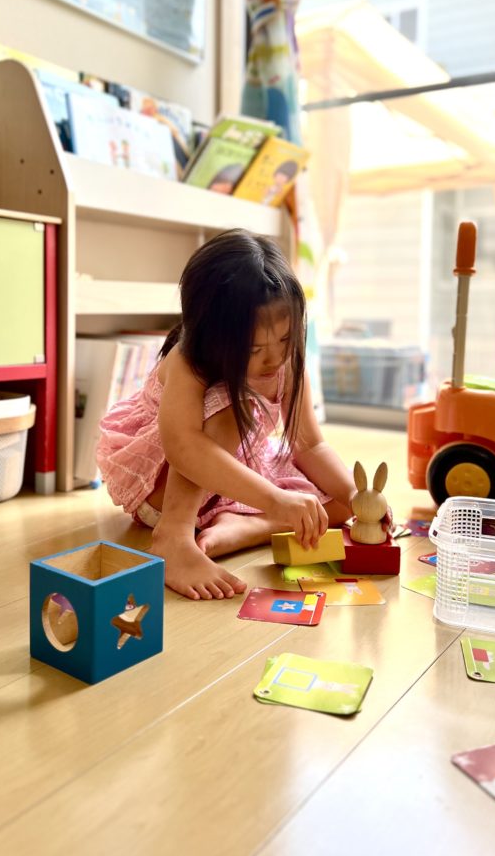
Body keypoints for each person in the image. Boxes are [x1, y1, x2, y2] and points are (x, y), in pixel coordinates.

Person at [97, 228, 358, 601]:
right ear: (212, 337)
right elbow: (183, 447)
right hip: (165, 487)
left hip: (230, 476)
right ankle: (174, 538)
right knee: (233, 406)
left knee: (337, 504)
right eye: (254, 349)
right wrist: (275, 498)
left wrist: (357, 496)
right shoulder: (188, 360)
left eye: (285, 339)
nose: (274, 358)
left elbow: (310, 446)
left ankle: (251, 528)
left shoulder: (287, 360)